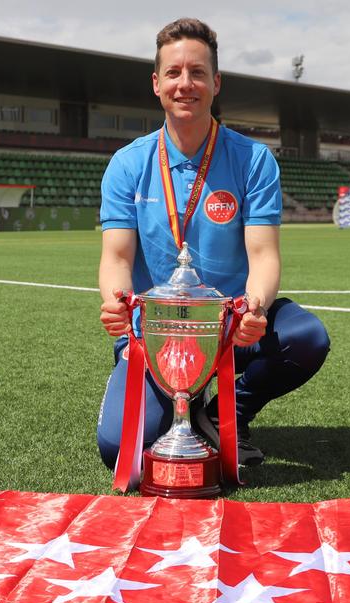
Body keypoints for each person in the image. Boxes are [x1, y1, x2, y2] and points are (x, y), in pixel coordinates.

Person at [96, 17, 330, 471]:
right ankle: (174, 400)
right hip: (157, 334)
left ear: (216, 83)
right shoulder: (127, 164)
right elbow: (116, 257)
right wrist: (116, 302)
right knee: (121, 451)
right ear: (157, 84)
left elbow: (264, 255)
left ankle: (226, 415)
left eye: (198, 72)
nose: (185, 83)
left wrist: (255, 309)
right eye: (174, 72)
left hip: (231, 328)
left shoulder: (253, 160)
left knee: (305, 338)